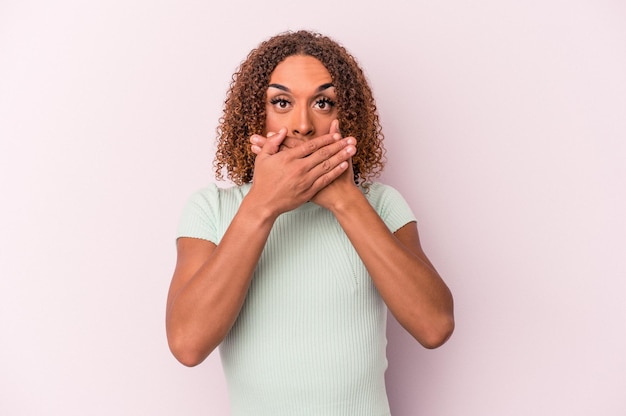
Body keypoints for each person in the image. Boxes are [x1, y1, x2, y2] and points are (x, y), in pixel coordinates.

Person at [166, 30, 454, 415]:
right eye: (281, 102)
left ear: (345, 115)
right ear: (256, 114)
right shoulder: (212, 209)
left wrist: (345, 199)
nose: (302, 125)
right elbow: (187, 344)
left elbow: (434, 327)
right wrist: (260, 206)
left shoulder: (380, 205)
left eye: (323, 102)